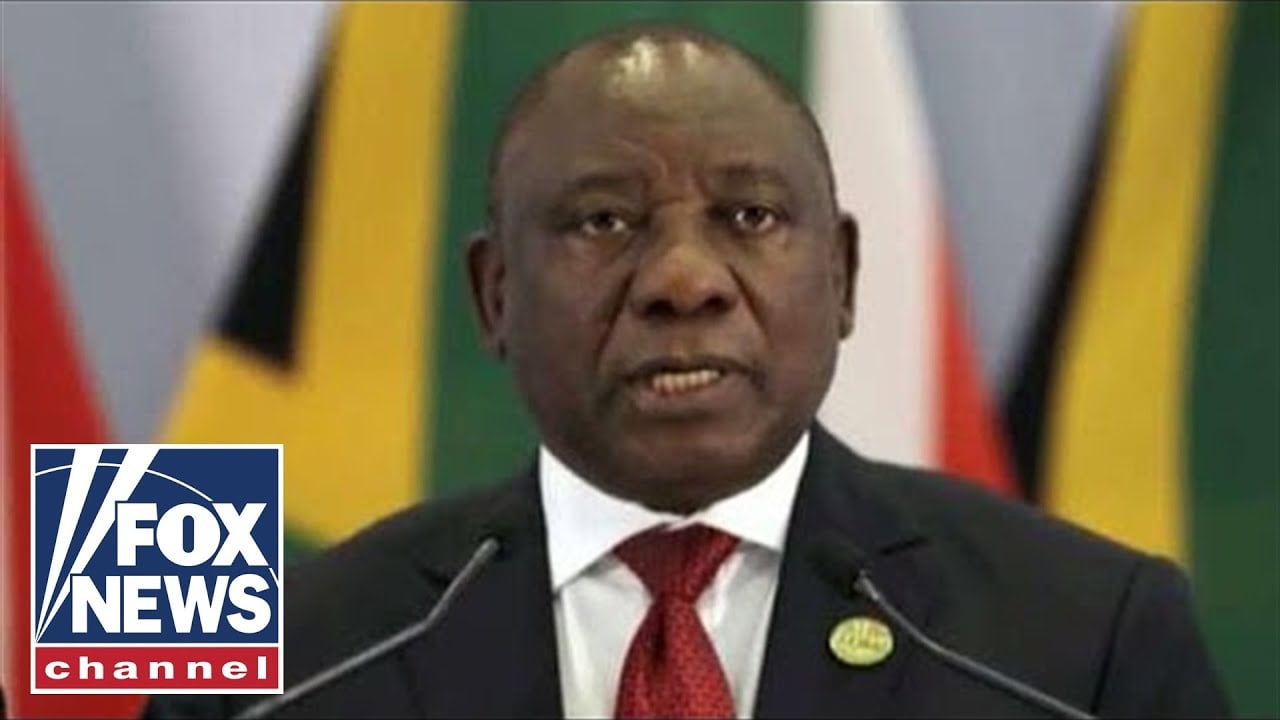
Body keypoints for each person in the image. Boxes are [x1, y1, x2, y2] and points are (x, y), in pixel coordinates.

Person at [146, 23, 1229, 719]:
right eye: (602, 221)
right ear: (494, 295)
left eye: (749, 217)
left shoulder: (1084, 643)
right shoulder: (276, 665)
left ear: (843, 278)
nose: (682, 281)